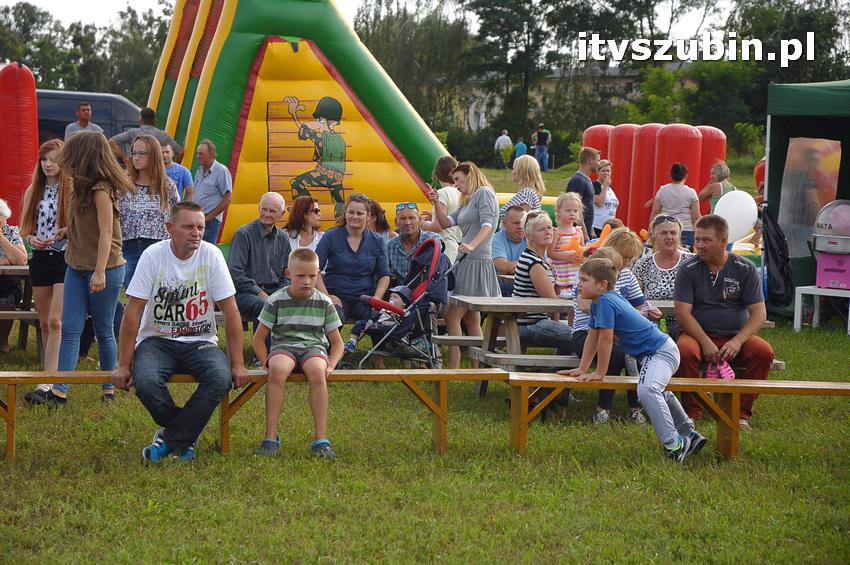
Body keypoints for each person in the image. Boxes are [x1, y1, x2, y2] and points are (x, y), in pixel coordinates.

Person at [111, 201, 249, 462]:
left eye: (200, 227)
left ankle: (170, 439)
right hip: (157, 340)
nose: (196, 233)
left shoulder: (211, 255)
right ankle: (184, 437)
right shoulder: (153, 255)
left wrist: (238, 364)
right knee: (146, 382)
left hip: (200, 341)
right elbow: (132, 312)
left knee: (220, 378)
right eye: (188, 227)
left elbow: (231, 312)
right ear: (170, 228)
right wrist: (124, 365)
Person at [561, 257, 706, 462]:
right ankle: (688, 433)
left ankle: (674, 445)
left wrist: (600, 372)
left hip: (661, 352)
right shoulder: (599, 302)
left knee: (647, 391)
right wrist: (582, 368)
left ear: (602, 285)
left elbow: (605, 339)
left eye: (584, 280)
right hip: (656, 353)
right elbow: (592, 337)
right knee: (656, 390)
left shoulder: (606, 301)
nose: (578, 284)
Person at [49, 131, 134, 405]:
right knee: (69, 328)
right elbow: (88, 223)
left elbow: (107, 233)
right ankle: (59, 390)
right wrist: (68, 230)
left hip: (105, 269)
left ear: (84, 157)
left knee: (103, 329)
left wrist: (99, 272)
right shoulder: (80, 186)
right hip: (76, 265)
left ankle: (109, 387)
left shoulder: (101, 190)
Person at [673, 215, 774, 428]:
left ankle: (741, 414)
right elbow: (683, 313)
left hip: (735, 335)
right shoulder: (688, 269)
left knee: (763, 352)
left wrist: (737, 341)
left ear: (723, 242)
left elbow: (759, 313)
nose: (699, 245)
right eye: (697, 239)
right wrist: (705, 342)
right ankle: (693, 413)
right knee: (684, 351)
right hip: (697, 335)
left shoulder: (744, 268)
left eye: (706, 240)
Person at [253, 248, 344, 460]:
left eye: (312, 276)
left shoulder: (324, 302)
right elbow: (258, 338)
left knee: (317, 370)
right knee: (277, 369)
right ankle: (270, 437)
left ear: (318, 274)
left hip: (313, 347)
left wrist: (331, 363)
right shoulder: (276, 300)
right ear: (288, 274)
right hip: (284, 346)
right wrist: (265, 361)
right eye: (301, 276)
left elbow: (337, 342)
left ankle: (321, 439)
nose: (307, 281)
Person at [428, 162, 500, 369]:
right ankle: (477, 366)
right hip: (465, 259)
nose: (456, 184)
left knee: (452, 315)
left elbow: (488, 225)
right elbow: (446, 223)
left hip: (476, 260)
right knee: (471, 318)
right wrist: (436, 203)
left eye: (458, 179)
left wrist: (472, 245)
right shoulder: (468, 200)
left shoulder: (484, 193)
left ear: (470, 175)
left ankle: (454, 367)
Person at [589, 228, 660, 423]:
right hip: (598, 332)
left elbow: (640, 304)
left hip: (621, 333)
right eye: (625, 257)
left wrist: (650, 310)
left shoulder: (627, 275)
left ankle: (635, 407)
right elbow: (587, 308)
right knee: (616, 353)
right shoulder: (592, 274)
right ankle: (603, 408)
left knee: (638, 351)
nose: (627, 263)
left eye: (631, 259)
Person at [20, 139, 71, 404]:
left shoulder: (71, 189)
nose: (48, 164)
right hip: (39, 257)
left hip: (64, 257)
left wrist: (64, 233)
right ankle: (48, 374)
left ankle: (49, 380)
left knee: (56, 320)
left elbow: (80, 224)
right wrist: (31, 240)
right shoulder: (34, 189)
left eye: (54, 159)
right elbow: (24, 228)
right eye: (44, 159)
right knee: (43, 322)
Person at [316, 194, 390, 352]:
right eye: (351, 212)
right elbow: (315, 270)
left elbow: (384, 274)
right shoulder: (331, 236)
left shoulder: (377, 240)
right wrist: (327, 296)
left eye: (360, 213)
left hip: (365, 297)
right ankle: (328, 355)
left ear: (368, 216)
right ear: (345, 213)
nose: (355, 216)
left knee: (379, 317)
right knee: (333, 316)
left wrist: (377, 299)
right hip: (337, 295)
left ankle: (377, 357)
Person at [120, 134, 180, 288]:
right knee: (133, 291)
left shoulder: (167, 185)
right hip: (130, 247)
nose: (136, 157)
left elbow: (177, 216)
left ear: (153, 155)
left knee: (158, 293)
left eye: (142, 153)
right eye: (134, 153)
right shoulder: (124, 185)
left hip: (159, 247)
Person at [512, 211, 572, 354]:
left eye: (550, 227)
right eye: (541, 229)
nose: (548, 232)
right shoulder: (534, 262)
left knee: (581, 337)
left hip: (534, 321)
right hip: (530, 324)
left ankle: (557, 366)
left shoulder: (539, 259)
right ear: (529, 236)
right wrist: (575, 299)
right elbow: (551, 300)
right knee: (583, 338)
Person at [228, 192, 290, 324]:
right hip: (246, 293)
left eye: (272, 211)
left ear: (282, 214)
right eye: (264, 209)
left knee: (301, 304)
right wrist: (259, 293)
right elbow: (236, 272)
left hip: (275, 291)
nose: (267, 214)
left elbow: (288, 272)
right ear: (259, 208)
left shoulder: (283, 237)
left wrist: (279, 294)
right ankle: (263, 339)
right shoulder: (243, 234)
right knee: (265, 306)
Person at [632, 215, 694, 338]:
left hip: (686, 325)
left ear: (679, 236)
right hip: (651, 326)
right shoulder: (643, 264)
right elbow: (633, 298)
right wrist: (645, 310)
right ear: (654, 238)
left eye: (673, 233)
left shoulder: (692, 262)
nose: (669, 237)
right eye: (664, 233)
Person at [420, 156, 461, 263]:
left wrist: (422, 224)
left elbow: (438, 227)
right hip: (456, 246)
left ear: (437, 174)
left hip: (444, 247)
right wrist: (434, 216)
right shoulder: (459, 192)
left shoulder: (442, 193)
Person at [387, 201, 441, 283]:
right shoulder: (389, 246)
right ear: (396, 222)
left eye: (411, 218)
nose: (407, 223)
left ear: (420, 220)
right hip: (398, 289)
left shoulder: (432, 240)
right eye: (403, 218)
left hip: (425, 288)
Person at [0, 198, 28, 352]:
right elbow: (15, 259)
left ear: (5, 217)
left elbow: (22, 260)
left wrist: (2, 239)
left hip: (9, 281)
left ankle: (2, 341)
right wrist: (6, 260)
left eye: (0, 215)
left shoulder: (12, 231)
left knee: (8, 298)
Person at [651, 162, 700, 249]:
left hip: (665, 228)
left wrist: (651, 231)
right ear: (686, 175)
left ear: (671, 175)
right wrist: (698, 235)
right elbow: (696, 217)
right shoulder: (691, 192)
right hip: (686, 230)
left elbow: (655, 212)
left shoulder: (662, 190)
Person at [192, 139, 232, 244]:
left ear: (211, 154)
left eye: (201, 154)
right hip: (197, 218)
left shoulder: (221, 171)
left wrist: (208, 217)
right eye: (197, 153)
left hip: (210, 222)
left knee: (207, 250)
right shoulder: (199, 170)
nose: (198, 156)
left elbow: (227, 199)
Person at [109, 107, 183, 163]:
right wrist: (174, 165)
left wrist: (125, 158)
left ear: (141, 120)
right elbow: (180, 152)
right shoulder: (163, 135)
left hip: (136, 170)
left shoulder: (132, 133)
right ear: (154, 120)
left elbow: (111, 141)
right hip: (156, 171)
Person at [548, 192, 585, 296]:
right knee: (559, 298)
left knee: (576, 297)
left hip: (576, 272)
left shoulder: (579, 231)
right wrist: (567, 257)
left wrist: (583, 257)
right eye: (568, 210)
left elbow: (583, 250)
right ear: (558, 212)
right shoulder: (557, 232)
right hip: (561, 274)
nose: (572, 213)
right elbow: (550, 253)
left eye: (575, 211)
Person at [492, 205, 527, 296]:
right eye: (516, 223)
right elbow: (503, 267)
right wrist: (528, 266)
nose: (520, 227)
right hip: (501, 286)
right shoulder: (497, 239)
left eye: (523, 223)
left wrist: (519, 266)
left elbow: (543, 264)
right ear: (504, 224)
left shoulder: (531, 237)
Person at [499, 154, 545, 220]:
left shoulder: (526, 194)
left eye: (514, 169)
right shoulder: (528, 192)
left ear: (522, 172)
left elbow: (521, 220)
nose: (512, 172)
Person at [566, 147, 599, 237]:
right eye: (598, 160)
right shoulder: (578, 180)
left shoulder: (587, 180)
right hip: (578, 233)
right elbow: (576, 209)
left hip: (586, 231)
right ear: (591, 161)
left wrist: (591, 230)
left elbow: (588, 205)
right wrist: (584, 234)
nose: (599, 164)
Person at [592, 159, 619, 237]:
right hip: (598, 226)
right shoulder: (595, 185)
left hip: (610, 226)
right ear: (598, 172)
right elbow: (599, 203)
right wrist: (604, 186)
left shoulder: (611, 188)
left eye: (608, 171)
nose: (606, 173)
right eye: (603, 171)